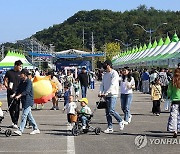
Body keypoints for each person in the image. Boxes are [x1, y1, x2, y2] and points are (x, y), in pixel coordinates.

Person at [99, 60, 124, 133]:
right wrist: (100, 92)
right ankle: (110, 127)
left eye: (105, 65)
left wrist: (107, 92)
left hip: (113, 94)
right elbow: (102, 84)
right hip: (106, 95)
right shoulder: (105, 74)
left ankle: (120, 120)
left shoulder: (114, 73)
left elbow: (113, 84)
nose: (104, 66)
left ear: (109, 65)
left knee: (111, 110)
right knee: (107, 112)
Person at [13, 69, 40, 136]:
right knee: (29, 116)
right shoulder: (22, 81)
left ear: (24, 74)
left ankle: (20, 130)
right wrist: (14, 94)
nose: (20, 75)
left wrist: (19, 95)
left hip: (29, 101)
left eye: (21, 74)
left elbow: (27, 91)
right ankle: (36, 128)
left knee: (24, 115)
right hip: (24, 101)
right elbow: (18, 89)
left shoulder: (29, 82)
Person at [3, 60, 23, 128]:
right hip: (10, 92)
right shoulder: (9, 72)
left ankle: (16, 122)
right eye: (19, 66)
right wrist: (7, 86)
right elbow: (5, 80)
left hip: (17, 93)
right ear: (16, 65)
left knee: (17, 107)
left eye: (21, 66)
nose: (20, 67)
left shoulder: (21, 73)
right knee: (10, 108)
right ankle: (13, 121)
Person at [167, 68, 180, 138]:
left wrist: (169, 96)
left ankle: (175, 131)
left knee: (174, 117)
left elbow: (169, 91)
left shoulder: (172, 81)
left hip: (175, 101)